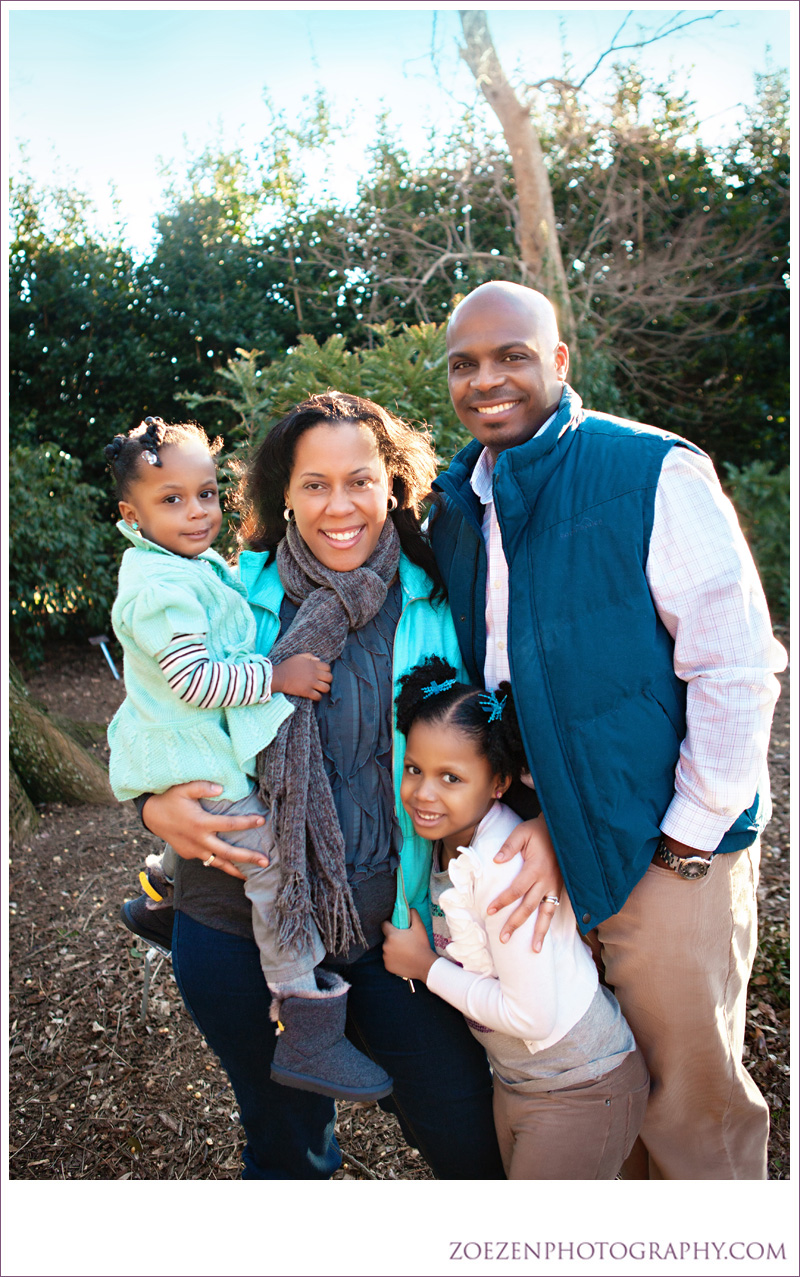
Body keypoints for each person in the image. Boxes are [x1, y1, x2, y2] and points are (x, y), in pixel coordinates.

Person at [429, 280, 787, 1180]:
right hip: (542, 842)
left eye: (512, 355)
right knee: (598, 1096)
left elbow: (737, 665)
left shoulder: (649, 470)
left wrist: (684, 842)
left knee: (690, 1111)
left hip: (663, 851)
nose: (486, 379)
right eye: (464, 364)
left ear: (557, 360)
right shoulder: (459, 504)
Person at [128, 393, 507, 1180]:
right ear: (285, 495)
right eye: (314, 484)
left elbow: (492, 738)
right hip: (239, 923)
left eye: (360, 480)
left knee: (468, 1137)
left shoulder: (441, 597)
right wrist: (152, 804)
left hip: (391, 930)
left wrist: (526, 825)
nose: (340, 506)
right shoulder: (235, 595)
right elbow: (158, 711)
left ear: (393, 486)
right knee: (290, 1151)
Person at [105, 416, 391, 1102]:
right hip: (190, 755)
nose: (196, 512)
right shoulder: (160, 587)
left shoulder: (195, 566)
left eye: (206, 494)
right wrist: (276, 674)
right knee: (267, 862)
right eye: (170, 499)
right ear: (130, 512)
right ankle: (307, 1021)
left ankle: (163, 894)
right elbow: (198, 679)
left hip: (198, 751)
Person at [382, 657, 649, 1179]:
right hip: (521, 1078)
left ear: (498, 782)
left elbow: (532, 1017)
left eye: (451, 777)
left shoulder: (504, 870)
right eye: (414, 768)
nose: (424, 792)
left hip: (580, 1084)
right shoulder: (447, 845)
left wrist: (425, 968)